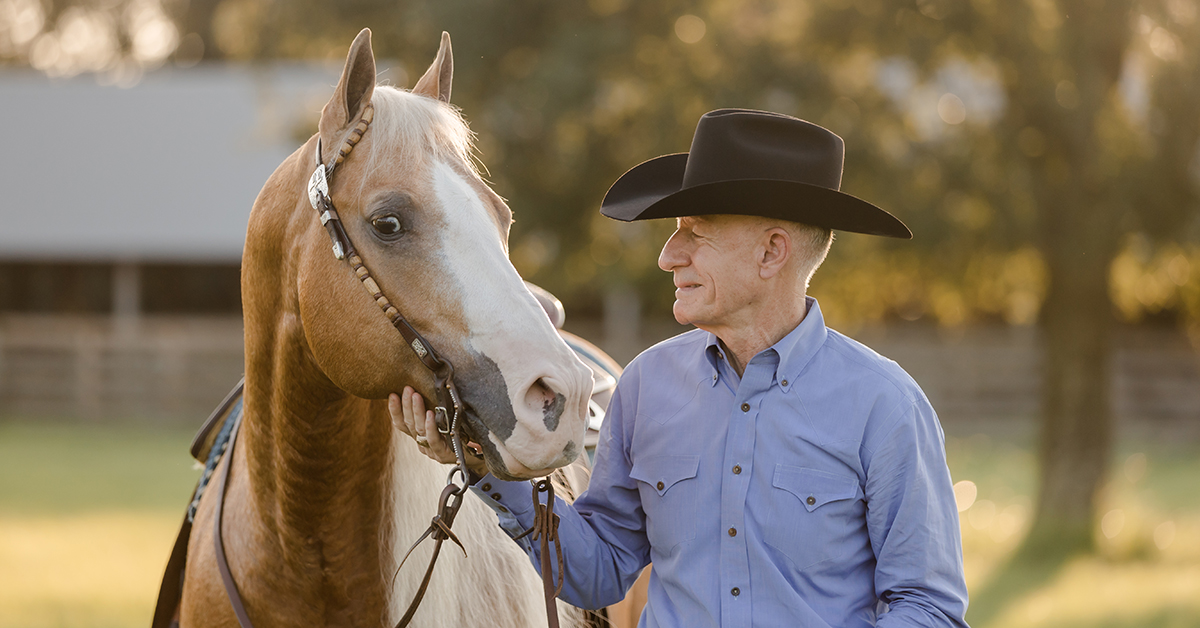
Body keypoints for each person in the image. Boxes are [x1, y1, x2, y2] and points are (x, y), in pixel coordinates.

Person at [390, 109, 970, 627]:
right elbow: (601, 572)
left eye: (695, 232)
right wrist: (482, 464)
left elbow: (928, 607)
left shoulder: (885, 405)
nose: (669, 255)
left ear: (772, 252)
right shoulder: (646, 386)